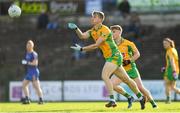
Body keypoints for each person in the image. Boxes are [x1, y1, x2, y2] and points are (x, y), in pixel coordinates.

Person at [68, 11, 146, 109]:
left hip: (115, 55)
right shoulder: (93, 30)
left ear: (100, 19)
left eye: (94, 17)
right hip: (110, 57)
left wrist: (82, 49)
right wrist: (76, 28)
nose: (92, 18)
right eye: (92, 17)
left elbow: (96, 45)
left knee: (104, 75)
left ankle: (112, 100)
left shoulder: (105, 30)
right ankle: (140, 97)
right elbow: (82, 36)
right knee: (127, 80)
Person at [110, 25, 157, 108]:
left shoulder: (128, 43)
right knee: (111, 85)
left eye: (114, 32)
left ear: (119, 32)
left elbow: (137, 54)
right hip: (120, 70)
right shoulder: (111, 45)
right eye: (111, 32)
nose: (112, 33)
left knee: (140, 87)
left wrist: (129, 61)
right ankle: (129, 97)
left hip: (131, 69)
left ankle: (153, 104)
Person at [21, 40, 43, 104]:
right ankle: (27, 99)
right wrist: (24, 63)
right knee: (24, 85)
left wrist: (27, 62)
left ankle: (41, 99)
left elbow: (35, 63)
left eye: (29, 44)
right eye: (27, 44)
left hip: (34, 72)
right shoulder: (27, 53)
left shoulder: (34, 54)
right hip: (29, 72)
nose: (28, 46)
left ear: (32, 46)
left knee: (36, 86)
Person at [162, 38, 180, 104]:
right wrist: (165, 68)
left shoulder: (169, 51)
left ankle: (168, 99)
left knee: (167, 84)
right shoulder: (174, 50)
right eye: (163, 43)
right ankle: (168, 99)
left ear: (170, 43)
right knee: (173, 87)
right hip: (175, 70)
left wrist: (174, 71)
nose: (164, 45)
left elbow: (172, 61)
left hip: (171, 71)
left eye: (166, 43)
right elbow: (172, 62)